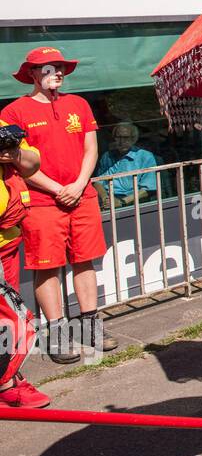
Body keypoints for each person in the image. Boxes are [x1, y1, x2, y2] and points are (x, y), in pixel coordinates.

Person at [0, 48, 116, 364]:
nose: (58, 72)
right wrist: (57, 189)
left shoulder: (78, 104)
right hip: (40, 201)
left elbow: (91, 149)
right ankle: (58, 335)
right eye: (49, 68)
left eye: (61, 67)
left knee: (85, 261)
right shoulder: (14, 112)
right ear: (33, 74)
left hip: (82, 195)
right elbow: (17, 161)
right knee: (47, 266)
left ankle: (91, 327)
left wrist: (78, 184)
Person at [1, 125, 48, 407]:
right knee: (8, 317)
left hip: (7, 244)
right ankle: (6, 386)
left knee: (8, 317)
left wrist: (14, 153)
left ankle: (8, 378)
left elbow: (33, 163)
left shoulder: (3, 128)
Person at [94, 122, 159, 210]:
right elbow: (98, 181)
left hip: (132, 203)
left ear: (133, 139)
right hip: (108, 202)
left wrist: (122, 202)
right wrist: (105, 198)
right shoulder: (107, 156)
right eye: (118, 137)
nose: (121, 142)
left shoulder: (145, 156)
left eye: (126, 137)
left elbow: (149, 189)